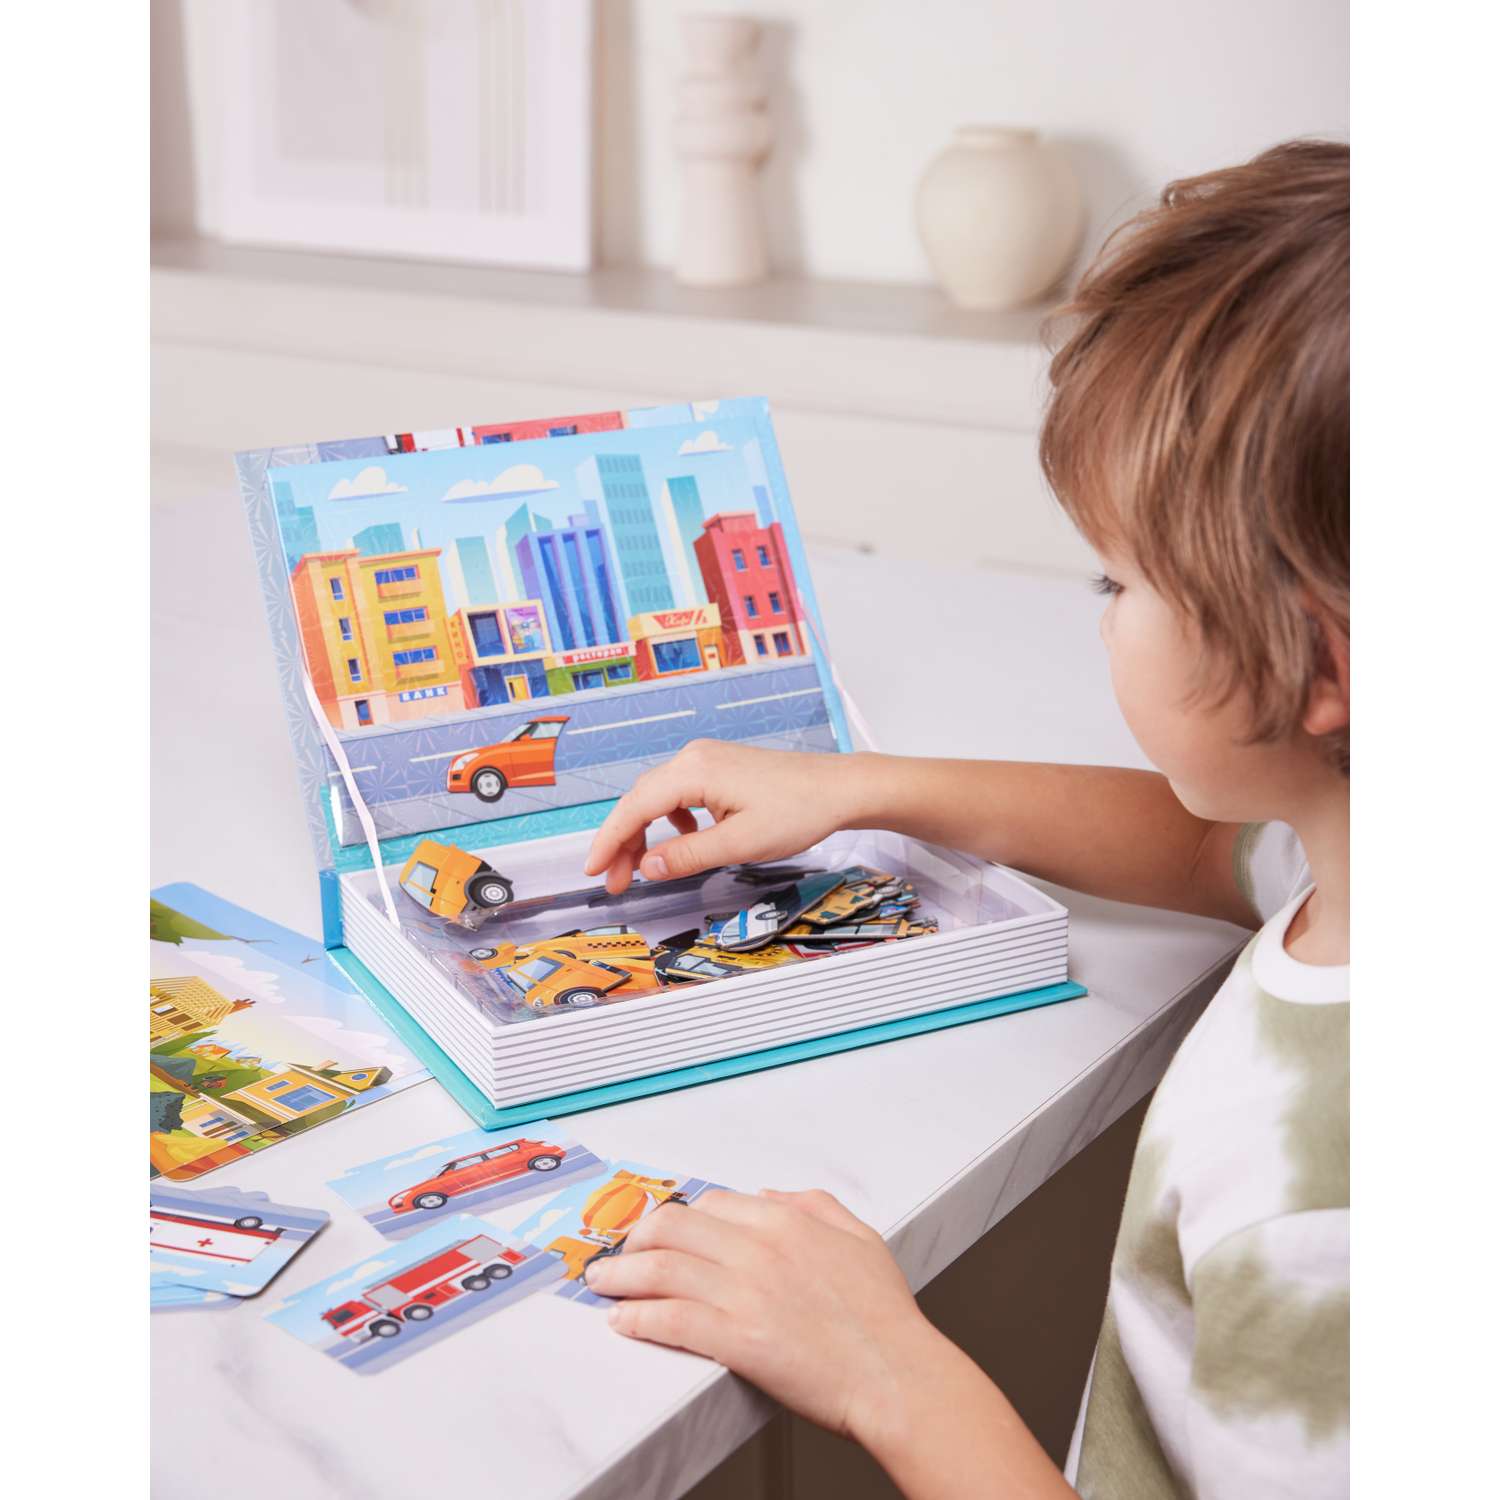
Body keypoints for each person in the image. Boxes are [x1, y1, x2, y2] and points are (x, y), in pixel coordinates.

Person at [579, 140, 1349, 1499]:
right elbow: (1209, 850)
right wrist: (861, 788)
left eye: (1118, 583)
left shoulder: (1332, 1211)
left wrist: (883, 1369)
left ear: (1323, 666)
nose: (1100, 616)